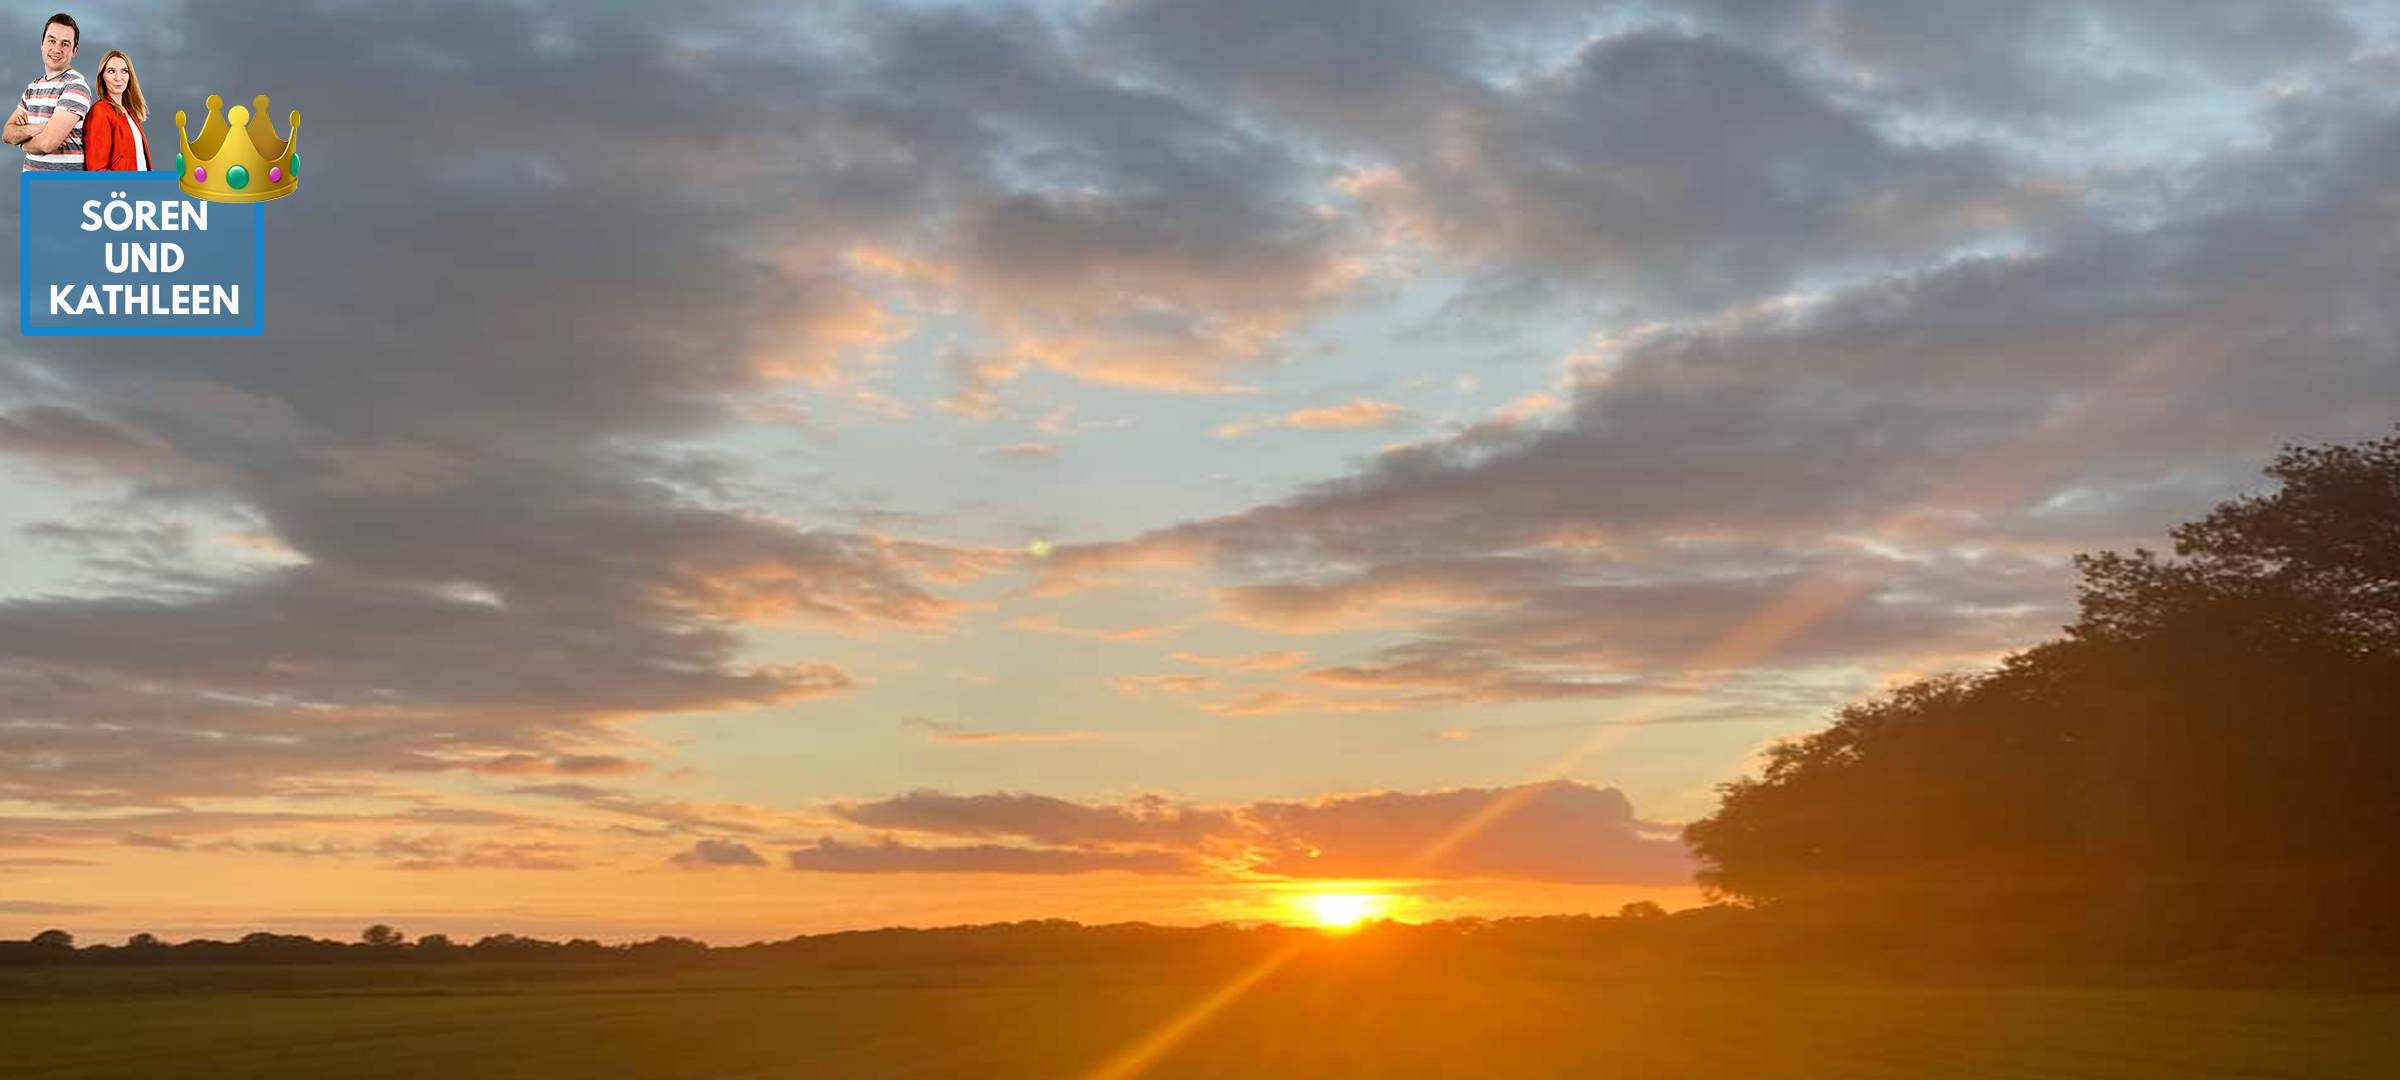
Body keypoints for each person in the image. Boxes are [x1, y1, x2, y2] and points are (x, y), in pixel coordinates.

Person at [2, 13, 89, 171]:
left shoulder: (75, 86)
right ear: (42, 43)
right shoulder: (33, 87)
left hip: (63, 189)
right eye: (51, 40)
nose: (56, 49)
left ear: (74, 51)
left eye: (65, 44)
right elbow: (7, 134)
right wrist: (36, 128)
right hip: (33, 188)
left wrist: (21, 143)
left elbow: (47, 143)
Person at [82, 48, 145, 171]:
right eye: (111, 71)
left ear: (130, 76)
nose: (118, 78)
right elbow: (97, 169)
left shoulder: (129, 112)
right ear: (102, 77)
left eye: (124, 71)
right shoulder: (100, 112)